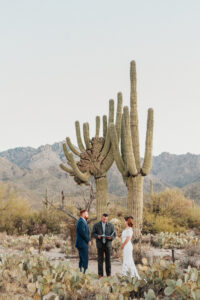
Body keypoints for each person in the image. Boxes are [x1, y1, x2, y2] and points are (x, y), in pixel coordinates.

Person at [92, 213, 116, 278]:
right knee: (100, 260)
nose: (104, 220)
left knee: (108, 260)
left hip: (108, 245)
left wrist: (111, 238)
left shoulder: (111, 225)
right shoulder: (96, 225)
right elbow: (93, 234)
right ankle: (100, 274)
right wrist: (97, 236)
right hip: (100, 245)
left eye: (106, 219)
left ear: (107, 219)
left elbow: (114, 235)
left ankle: (109, 274)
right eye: (103, 218)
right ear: (101, 218)